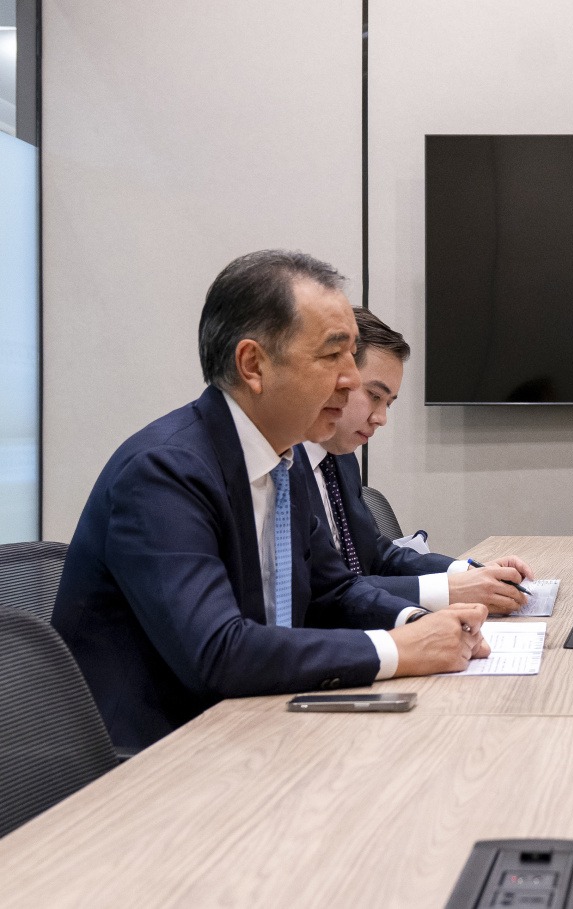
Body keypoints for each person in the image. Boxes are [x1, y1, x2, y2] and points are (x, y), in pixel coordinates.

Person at [53, 250, 490, 751]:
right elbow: (219, 652)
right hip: (157, 755)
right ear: (253, 365)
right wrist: (396, 649)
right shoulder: (163, 473)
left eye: (352, 356)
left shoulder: (285, 460)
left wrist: (420, 625)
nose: (351, 379)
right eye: (333, 355)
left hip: (260, 726)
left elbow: (334, 592)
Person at [296, 308, 534, 613]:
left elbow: (376, 555)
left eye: (389, 404)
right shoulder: (283, 468)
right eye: (374, 396)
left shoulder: (341, 460)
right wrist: (451, 591)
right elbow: (327, 591)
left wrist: (468, 572)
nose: (381, 418)